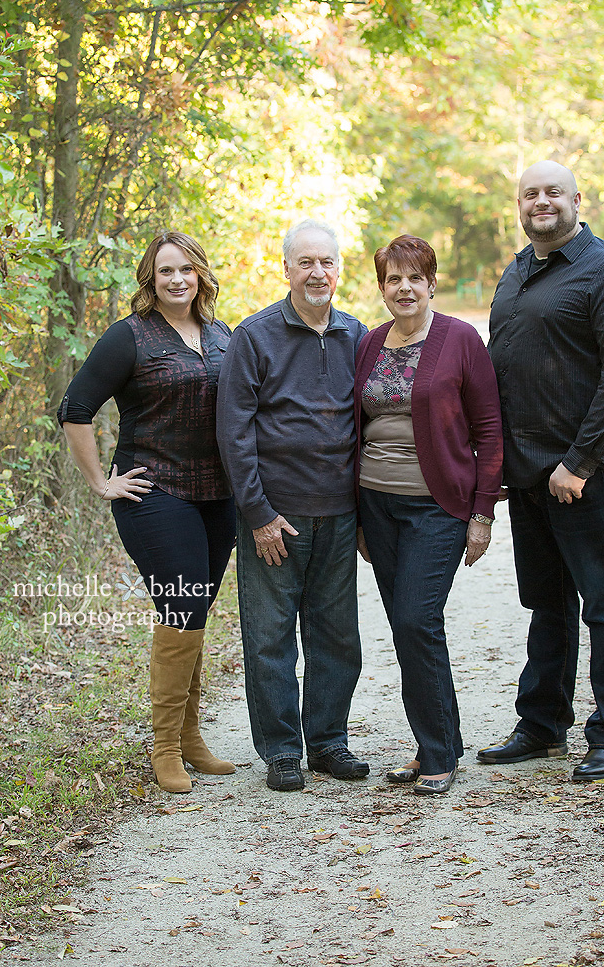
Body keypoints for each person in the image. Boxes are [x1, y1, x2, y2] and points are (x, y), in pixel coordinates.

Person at [478, 160, 604, 782]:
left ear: (578, 199)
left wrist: (578, 462)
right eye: (530, 194)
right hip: (527, 475)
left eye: (553, 193)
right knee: (547, 602)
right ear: (519, 206)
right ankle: (543, 724)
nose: (541, 202)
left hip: (584, 473)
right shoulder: (516, 272)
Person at [59, 231, 236, 794]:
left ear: (201, 274)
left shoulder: (223, 335)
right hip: (154, 493)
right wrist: (100, 482)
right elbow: (75, 408)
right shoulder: (129, 337)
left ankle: (189, 739)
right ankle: (163, 748)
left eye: (186, 268)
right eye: (166, 271)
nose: (178, 279)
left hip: (218, 497)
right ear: (150, 280)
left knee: (193, 613)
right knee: (180, 605)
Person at [216, 218, 369, 792]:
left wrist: (365, 514)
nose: (317, 272)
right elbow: (234, 433)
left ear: (338, 268)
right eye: (305, 262)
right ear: (285, 269)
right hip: (274, 516)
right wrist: (257, 515)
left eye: (326, 262)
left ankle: (329, 742)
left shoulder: (359, 335)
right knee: (270, 635)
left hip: (339, 513)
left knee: (336, 634)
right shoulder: (254, 337)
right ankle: (281, 750)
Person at [355, 234, 503, 796]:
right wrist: (361, 517)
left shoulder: (460, 339)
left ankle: (440, 752)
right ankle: (432, 745)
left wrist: (482, 511)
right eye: (393, 279)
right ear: (381, 288)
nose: (404, 287)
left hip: (437, 507)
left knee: (417, 620)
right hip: (377, 505)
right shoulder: (369, 345)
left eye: (415, 277)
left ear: (432, 282)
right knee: (406, 628)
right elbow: (355, 427)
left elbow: (489, 429)